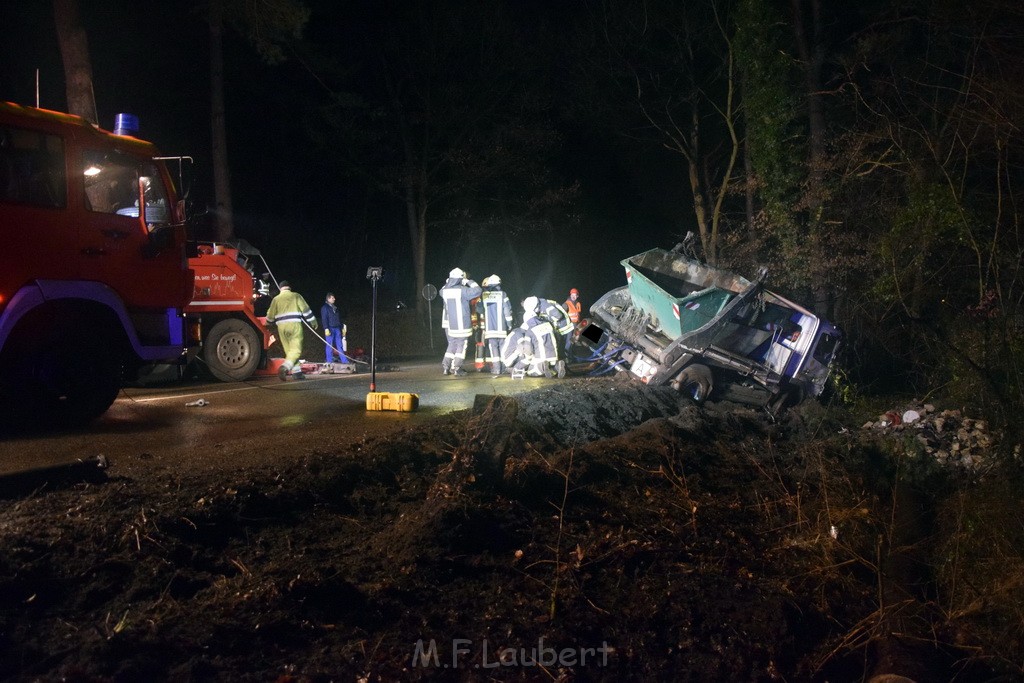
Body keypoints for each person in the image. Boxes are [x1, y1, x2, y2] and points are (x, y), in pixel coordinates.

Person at [265, 280, 317, 380]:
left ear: (280, 289)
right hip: (294, 325)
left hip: (281, 328)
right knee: (296, 350)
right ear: (289, 288)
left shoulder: (276, 299)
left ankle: (297, 373)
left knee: (289, 351)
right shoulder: (296, 296)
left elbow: (270, 316)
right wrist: (313, 321)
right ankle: (285, 367)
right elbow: (305, 309)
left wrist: (268, 323)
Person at [440, 267, 482, 376]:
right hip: (463, 325)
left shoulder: (445, 291)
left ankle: (446, 367)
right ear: (460, 279)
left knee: (452, 345)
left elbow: (441, 290)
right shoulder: (463, 290)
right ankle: (457, 368)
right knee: (461, 346)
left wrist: (448, 283)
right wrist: (468, 281)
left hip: (452, 325)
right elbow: (478, 290)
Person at [479, 274, 514, 375]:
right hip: (502, 328)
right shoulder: (503, 294)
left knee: (493, 348)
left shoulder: (484, 295)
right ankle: (504, 367)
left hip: (490, 328)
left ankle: (497, 369)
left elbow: (479, 309)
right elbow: (507, 311)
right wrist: (509, 324)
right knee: (503, 347)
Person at [320, 292, 348, 364]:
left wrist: (342, 327)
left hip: (337, 328)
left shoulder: (335, 308)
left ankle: (344, 361)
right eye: (332, 298)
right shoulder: (325, 308)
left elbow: (339, 318)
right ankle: (329, 361)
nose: (334, 299)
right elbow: (324, 318)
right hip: (330, 328)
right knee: (329, 345)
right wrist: (326, 328)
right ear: (328, 298)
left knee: (340, 345)